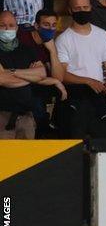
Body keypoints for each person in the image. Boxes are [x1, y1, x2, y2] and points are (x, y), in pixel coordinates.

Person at [55, 0, 106, 139]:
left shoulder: (102, 35)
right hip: (75, 96)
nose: (82, 11)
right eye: (78, 8)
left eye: (85, 7)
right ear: (70, 11)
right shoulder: (64, 39)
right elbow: (62, 74)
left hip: (98, 96)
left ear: (91, 8)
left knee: (105, 143)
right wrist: (88, 81)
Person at [18, 9, 66, 137]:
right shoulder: (23, 38)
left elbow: (59, 77)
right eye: (46, 25)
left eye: (54, 25)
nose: (50, 29)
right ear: (36, 26)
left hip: (38, 87)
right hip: (20, 86)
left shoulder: (48, 44)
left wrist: (53, 52)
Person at [0, 11, 46, 139]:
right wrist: (30, 77)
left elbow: (42, 73)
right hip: (2, 117)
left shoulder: (27, 49)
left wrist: (13, 72)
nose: (7, 29)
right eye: (3, 25)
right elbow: (2, 79)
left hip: (26, 116)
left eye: (11, 25)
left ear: (17, 27)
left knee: (29, 158)